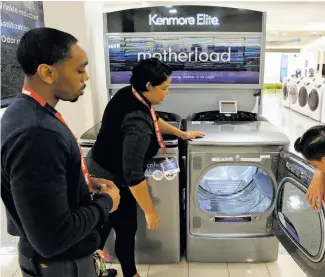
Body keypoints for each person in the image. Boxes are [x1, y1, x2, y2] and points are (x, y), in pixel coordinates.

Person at [1, 27, 120, 277]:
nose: (85, 77)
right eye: (79, 69)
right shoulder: (36, 133)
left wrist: (81, 183)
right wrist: (106, 203)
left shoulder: (27, 111)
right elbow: (52, 237)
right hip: (60, 266)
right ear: (47, 72)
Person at [86, 58, 205, 277]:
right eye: (164, 88)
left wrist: (181, 134)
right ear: (148, 85)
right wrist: (150, 212)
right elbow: (132, 175)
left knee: (104, 226)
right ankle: (125, 273)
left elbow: (153, 118)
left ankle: (97, 270)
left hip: (99, 165)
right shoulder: (137, 124)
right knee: (122, 227)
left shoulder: (128, 93)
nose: (167, 93)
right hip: (111, 178)